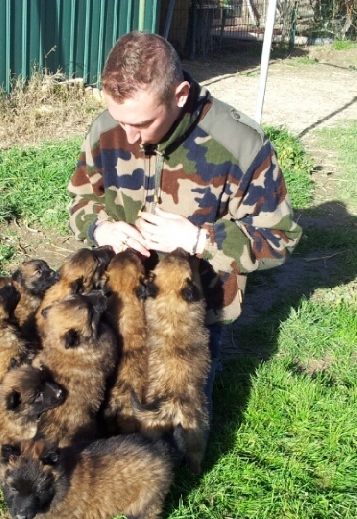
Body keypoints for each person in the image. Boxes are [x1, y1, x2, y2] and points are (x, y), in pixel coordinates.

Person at [67, 31, 302, 421]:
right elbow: (82, 200)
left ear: (179, 96)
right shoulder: (107, 127)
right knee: (108, 421)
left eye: (142, 123)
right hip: (119, 302)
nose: (128, 137)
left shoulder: (239, 143)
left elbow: (279, 238)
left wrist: (199, 239)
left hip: (189, 321)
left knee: (175, 433)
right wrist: (100, 229)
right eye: (118, 120)